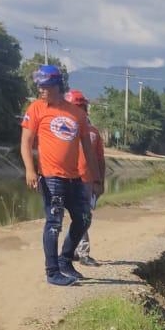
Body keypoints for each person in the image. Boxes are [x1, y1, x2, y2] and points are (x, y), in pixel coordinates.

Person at [20, 65, 101, 286]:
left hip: (75, 178)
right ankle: (52, 271)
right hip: (51, 176)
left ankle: (65, 260)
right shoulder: (36, 108)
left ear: (57, 86)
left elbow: (88, 150)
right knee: (54, 222)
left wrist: (95, 179)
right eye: (39, 87)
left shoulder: (77, 114)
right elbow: (26, 142)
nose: (41, 91)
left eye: (45, 86)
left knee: (83, 219)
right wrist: (29, 169)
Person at [65, 89, 105, 266]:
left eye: (82, 107)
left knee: (83, 217)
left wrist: (99, 182)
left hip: (86, 181)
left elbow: (100, 159)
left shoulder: (93, 132)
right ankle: (73, 251)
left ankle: (81, 252)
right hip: (64, 179)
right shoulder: (62, 130)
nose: (80, 110)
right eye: (77, 106)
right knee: (69, 218)